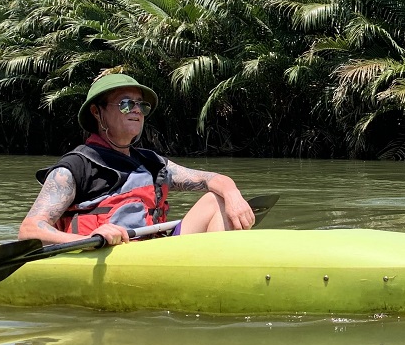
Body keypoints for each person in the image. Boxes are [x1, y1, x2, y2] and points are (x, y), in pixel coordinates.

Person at [18, 70, 255, 246]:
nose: (136, 110)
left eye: (141, 106)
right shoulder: (74, 168)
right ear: (97, 112)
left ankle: (216, 271)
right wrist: (86, 238)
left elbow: (210, 179)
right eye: (125, 104)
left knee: (217, 199)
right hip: (104, 255)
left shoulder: (152, 163)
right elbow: (29, 230)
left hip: (153, 251)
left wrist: (232, 193)